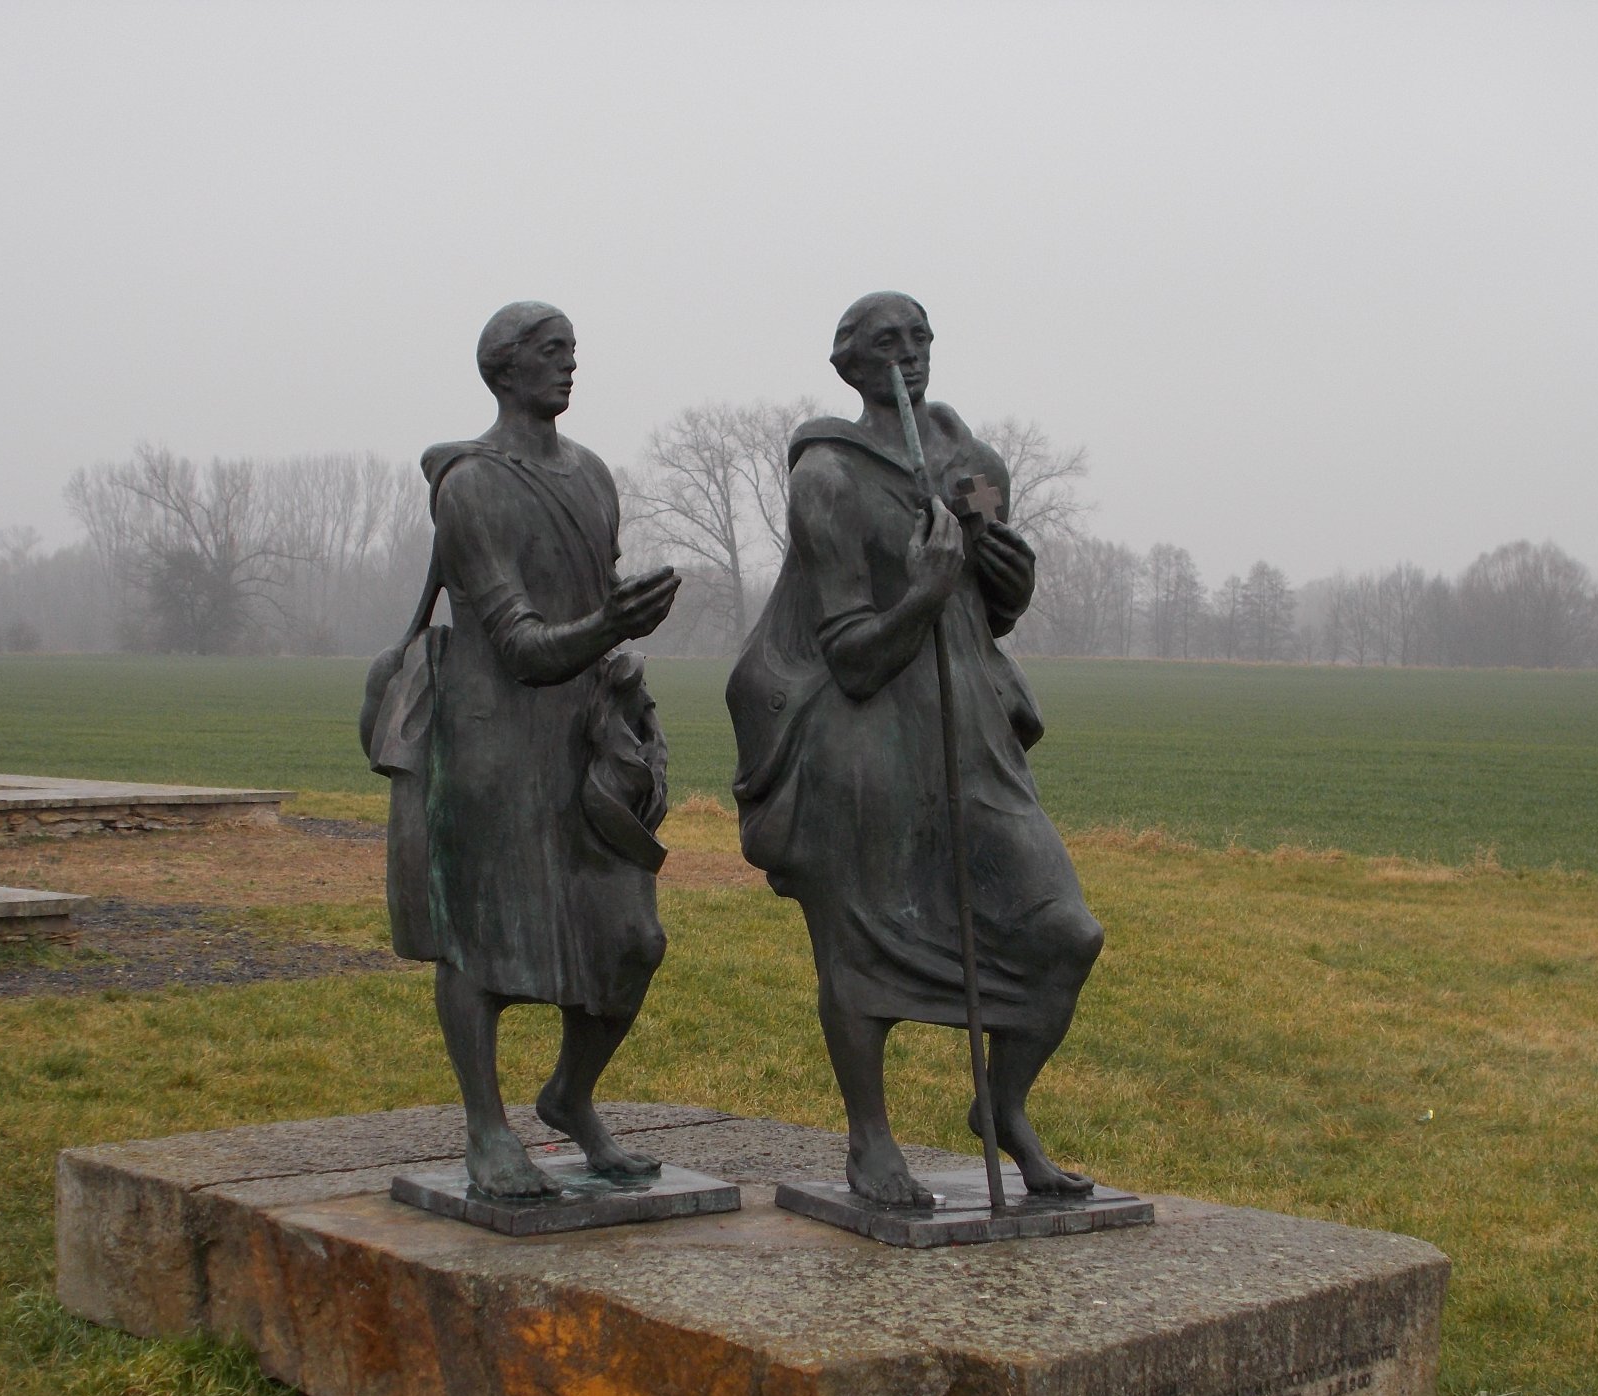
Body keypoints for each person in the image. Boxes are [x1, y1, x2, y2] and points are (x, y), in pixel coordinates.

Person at [727, 291, 1104, 1208]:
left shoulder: (971, 461)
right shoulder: (827, 476)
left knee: (1065, 934)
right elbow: (849, 652)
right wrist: (927, 591)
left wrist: (1004, 586)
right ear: (848, 366)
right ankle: (870, 1141)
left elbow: (988, 615)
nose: (909, 355)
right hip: (866, 741)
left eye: (920, 337)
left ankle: (1001, 1107)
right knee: (862, 947)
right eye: (885, 343)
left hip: (971, 726)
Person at [390, 301, 680, 1198]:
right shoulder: (471, 487)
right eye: (551, 353)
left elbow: (589, 604)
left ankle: (570, 1098)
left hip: (580, 733)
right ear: (503, 368)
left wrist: (622, 666)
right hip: (491, 739)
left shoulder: (592, 475)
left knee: (632, 940)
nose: (568, 368)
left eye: (573, 353)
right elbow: (518, 645)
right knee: (479, 940)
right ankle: (487, 1130)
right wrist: (609, 624)